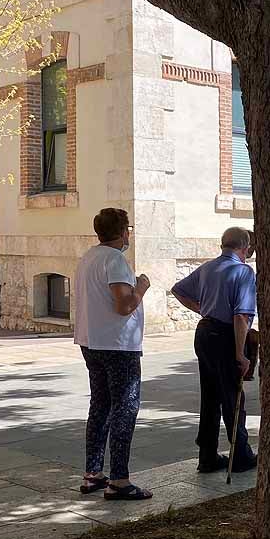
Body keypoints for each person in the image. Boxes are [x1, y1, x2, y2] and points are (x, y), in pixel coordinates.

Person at [73, 208, 153, 500]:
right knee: (125, 407)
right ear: (123, 232)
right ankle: (119, 480)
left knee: (101, 406)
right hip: (116, 344)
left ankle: (92, 473)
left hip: (91, 340)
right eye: (128, 228)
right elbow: (124, 305)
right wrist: (141, 287)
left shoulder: (88, 258)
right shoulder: (115, 260)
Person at [172, 227, 259, 472]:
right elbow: (241, 316)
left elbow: (179, 290)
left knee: (210, 396)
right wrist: (240, 354)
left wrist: (201, 309)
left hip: (205, 332)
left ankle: (207, 455)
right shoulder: (243, 272)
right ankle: (240, 454)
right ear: (245, 247)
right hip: (224, 335)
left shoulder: (208, 267)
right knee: (233, 395)